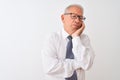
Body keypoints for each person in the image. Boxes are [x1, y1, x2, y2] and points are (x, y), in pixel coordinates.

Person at [41, 4, 95, 80]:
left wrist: (76, 37)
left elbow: (87, 64)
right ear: (63, 18)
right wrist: (78, 63)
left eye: (80, 17)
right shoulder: (52, 38)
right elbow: (50, 67)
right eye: (73, 16)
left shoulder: (84, 39)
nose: (77, 20)